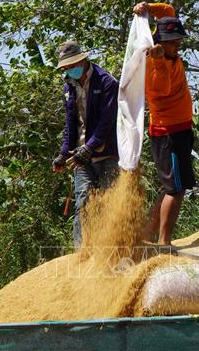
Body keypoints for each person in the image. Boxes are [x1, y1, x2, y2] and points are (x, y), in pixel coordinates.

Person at [133, 1, 196, 245]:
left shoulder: (167, 47)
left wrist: (148, 7)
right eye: (173, 42)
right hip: (168, 134)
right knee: (175, 190)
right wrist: (159, 62)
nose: (178, 45)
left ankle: (148, 236)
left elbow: (167, 11)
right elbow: (160, 91)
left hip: (180, 130)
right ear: (160, 42)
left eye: (179, 41)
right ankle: (164, 242)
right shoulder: (152, 62)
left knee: (172, 186)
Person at [52, 40, 119, 249]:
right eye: (66, 67)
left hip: (106, 154)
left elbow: (107, 121)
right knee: (83, 202)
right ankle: (82, 252)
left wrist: (90, 147)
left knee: (110, 203)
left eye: (72, 65)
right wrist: (64, 154)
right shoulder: (69, 88)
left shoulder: (107, 82)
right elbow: (71, 124)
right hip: (80, 157)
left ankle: (114, 247)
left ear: (83, 59)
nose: (70, 70)